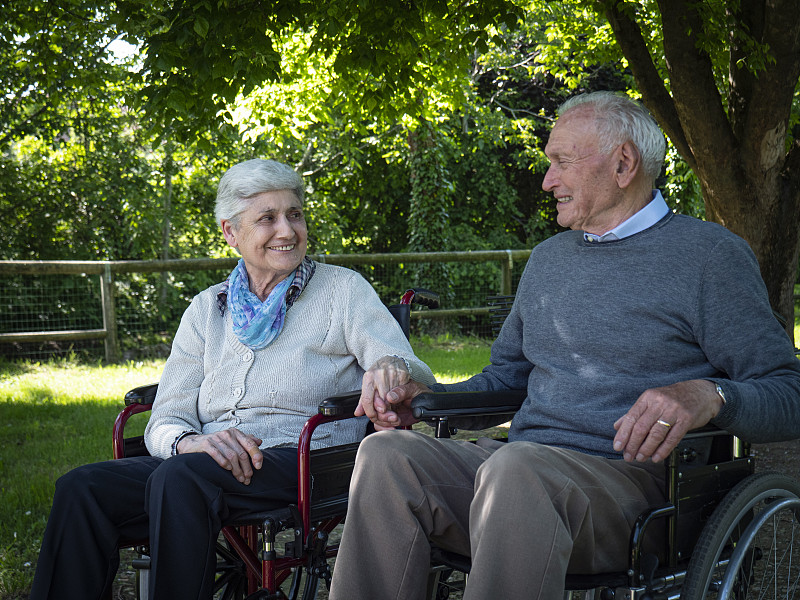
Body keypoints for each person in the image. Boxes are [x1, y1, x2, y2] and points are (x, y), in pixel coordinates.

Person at [328, 91, 800, 600]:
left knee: (517, 468)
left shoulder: (709, 258)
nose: (548, 180)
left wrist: (710, 395)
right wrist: (423, 401)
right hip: (519, 473)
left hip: (631, 492)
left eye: (561, 162)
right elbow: (505, 381)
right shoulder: (549, 259)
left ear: (623, 164)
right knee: (385, 456)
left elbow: (787, 393)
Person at [29, 158, 436, 600]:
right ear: (231, 232)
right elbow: (168, 414)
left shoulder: (342, 291)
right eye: (267, 218)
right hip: (203, 462)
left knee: (180, 478)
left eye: (294, 214)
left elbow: (407, 367)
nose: (287, 230)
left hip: (303, 460)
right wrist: (190, 442)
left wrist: (390, 367)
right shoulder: (207, 309)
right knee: (81, 488)